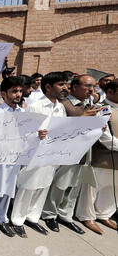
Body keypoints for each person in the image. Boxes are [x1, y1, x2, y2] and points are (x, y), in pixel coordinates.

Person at [0, 76, 47, 238]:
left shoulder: (25, 113)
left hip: (15, 158)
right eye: (14, 91)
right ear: (4, 93)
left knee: (8, 190)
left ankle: (1, 218)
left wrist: (39, 134)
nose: (18, 94)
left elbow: (29, 135)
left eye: (19, 91)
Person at [41, 75, 101, 235]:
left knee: (73, 186)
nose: (91, 90)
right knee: (60, 185)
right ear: (74, 87)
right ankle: (49, 214)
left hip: (84, 152)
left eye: (93, 87)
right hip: (66, 152)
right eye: (88, 86)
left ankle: (65, 215)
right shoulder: (64, 104)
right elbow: (60, 128)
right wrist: (84, 118)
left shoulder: (91, 104)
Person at [11, 72, 68, 237]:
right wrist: (37, 135)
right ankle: (17, 220)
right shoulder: (36, 105)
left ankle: (33, 217)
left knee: (43, 186)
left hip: (53, 153)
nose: (65, 87)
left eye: (65, 84)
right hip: (35, 153)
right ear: (48, 87)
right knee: (28, 186)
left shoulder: (61, 107)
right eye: (61, 84)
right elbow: (23, 131)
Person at [77, 80, 118, 234]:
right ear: (111, 91)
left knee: (114, 188)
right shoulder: (101, 108)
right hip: (101, 157)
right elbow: (104, 136)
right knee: (92, 189)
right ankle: (86, 216)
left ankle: (104, 215)